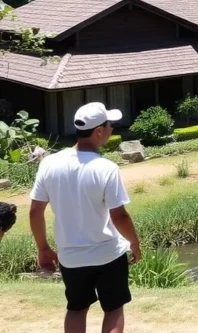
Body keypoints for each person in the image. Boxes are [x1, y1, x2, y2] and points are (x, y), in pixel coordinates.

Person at [29, 102, 141, 333]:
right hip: (108, 253)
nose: (112, 128)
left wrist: (43, 248)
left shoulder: (49, 164)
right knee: (113, 309)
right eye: (110, 125)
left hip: (70, 256)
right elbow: (119, 216)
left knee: (77, 308)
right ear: (98, 131)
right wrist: (134, 242)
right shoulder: (106, 168)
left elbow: (35, 211)